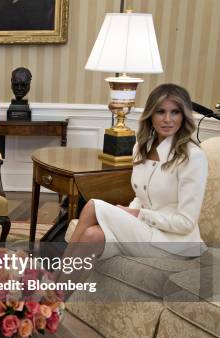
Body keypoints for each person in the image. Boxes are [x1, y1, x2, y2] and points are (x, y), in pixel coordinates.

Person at [65, 83, 208, 265]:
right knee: (92, 235)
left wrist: (137, 214)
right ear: (150, 115)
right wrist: (131, 214)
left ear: (184, 116)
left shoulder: (192, 157)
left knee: (93, 206)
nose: (167, 119)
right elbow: (141, 197)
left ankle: (51, 282)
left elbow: (186, 222)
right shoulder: (140, 148)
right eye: (160, 112)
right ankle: (58, 292)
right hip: (146, 231)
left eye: (175, 112)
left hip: (176, 243)